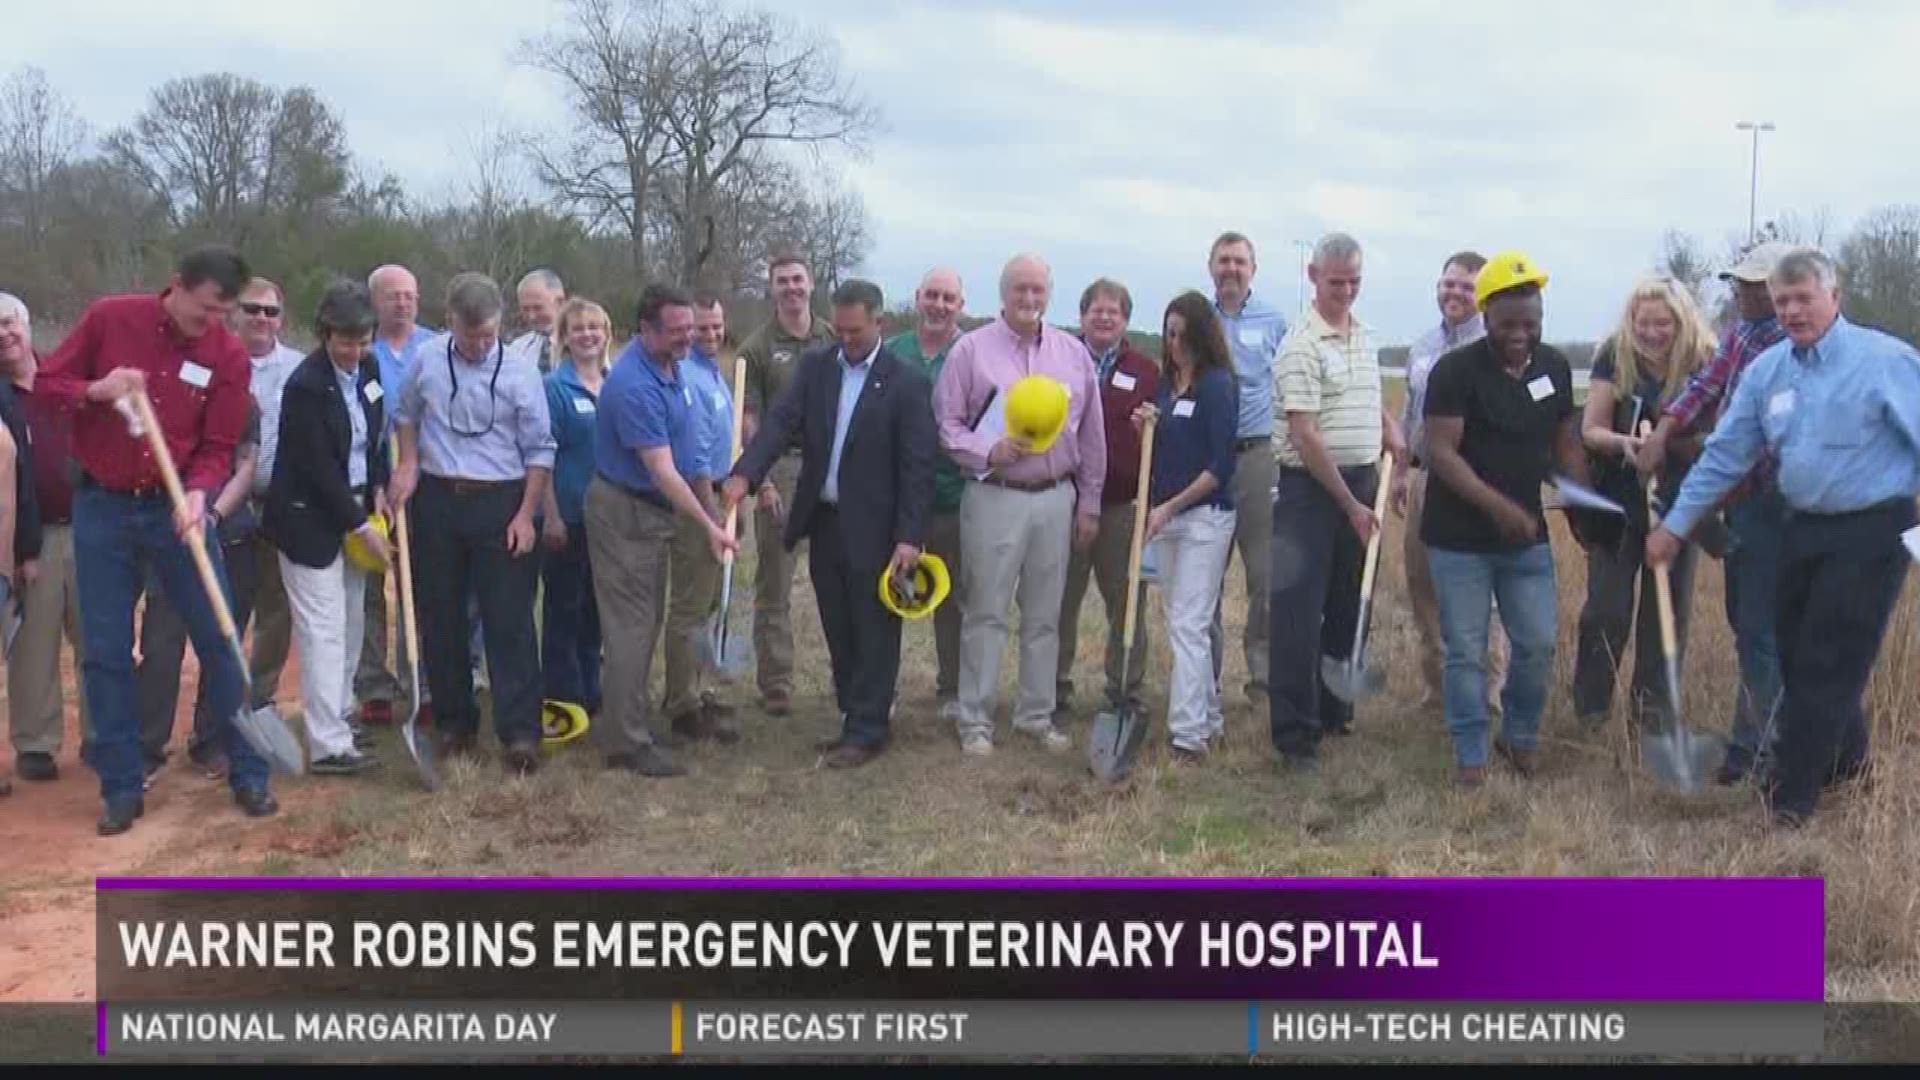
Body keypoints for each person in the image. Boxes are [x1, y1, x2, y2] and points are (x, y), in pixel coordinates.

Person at [1649, 247, 1920, 828]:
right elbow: (1726, 454)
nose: (1793, 311)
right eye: (1783, 301)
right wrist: (1675, 525)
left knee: (1826, 658)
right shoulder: (1767, 371)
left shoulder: (1885, 362)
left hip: (1874, 528)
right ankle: (1851, 767)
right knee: (1797, 655)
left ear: (1834, 298)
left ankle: (1790, 798)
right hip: (1802, 524)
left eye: (1804, 299)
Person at [38, 244, 276, 833]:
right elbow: (48, 385)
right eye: (205, 312)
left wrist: (198, 492)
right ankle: (121, 786)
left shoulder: (226, 355)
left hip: (176, 512)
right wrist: (99, 389)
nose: (214, 325)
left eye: (225, 314)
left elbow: (220, 446)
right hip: (103, 507)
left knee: (220, 636)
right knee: (106, 650)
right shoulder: (110, 319)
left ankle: (248, 768)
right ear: (176, 287)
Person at [724, 279, 936, 766]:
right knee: (838, 625)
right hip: (825, 521)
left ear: (879, 323)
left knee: (874, 629)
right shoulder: (816, 369)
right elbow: (779, 422)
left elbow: (918, 466)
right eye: (839, 330)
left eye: (856, 332)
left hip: (878, 530)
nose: (845, 340)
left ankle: (869, 728)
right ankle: (853, 715)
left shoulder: (906, 384)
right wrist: (744, 475)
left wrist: (910, 537)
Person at [1422, 252, 1588, 786]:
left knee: (1537, 644)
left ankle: (1518, 735)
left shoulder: (1554, 368)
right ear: (1486, 315)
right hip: (1459, 541)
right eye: (1509, 324)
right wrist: (1500, 508)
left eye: (1531, 323)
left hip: (1526, 541)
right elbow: (1441, 453)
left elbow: (1564, 446)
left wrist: (1581, 498)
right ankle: (1470, 751)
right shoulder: (1456, 371)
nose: (1521, 334)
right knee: (1467, 651)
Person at [933, 253, 1107, 756]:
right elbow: (947, 425)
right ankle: (975, 719)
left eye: (1037, 290)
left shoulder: (1073, 355)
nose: (1029, 300)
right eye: (1019, 290)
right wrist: (987, 450)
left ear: (1048, 294)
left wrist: (1089, 503)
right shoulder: (971, 351)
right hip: (995, 497)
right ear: (1003, 294)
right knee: (985, 611)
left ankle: (1035, 714)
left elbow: (1092, 437)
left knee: (1044, 614)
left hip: (1055, 498)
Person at [388, 272, 556, 774]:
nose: (481, 346)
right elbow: (405, 413)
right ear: (450, 323)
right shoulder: (429, 358)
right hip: (438, 498)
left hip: (502, 500)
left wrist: (527, 515)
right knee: (442, 617)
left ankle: (520, 733)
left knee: (509, 621)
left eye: (489, 336)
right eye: (471, 336)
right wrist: (409, 463)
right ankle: (454, 725)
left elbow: (540, 450)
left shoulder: (521, 372)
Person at [1637, 242, 1791, 784]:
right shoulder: (1744, 331)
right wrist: (1666, 428)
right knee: (1748, 626)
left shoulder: (1789, 341)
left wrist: (1716, 469)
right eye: (1740, 285)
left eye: (1754, 286)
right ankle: (1752, 745)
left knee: (1773, 628)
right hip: (1744, 503)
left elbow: (1761, 435)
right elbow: (1706, 386)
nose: (1743, 294)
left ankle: (1768, 752)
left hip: (1784, 503)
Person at [1267, 233, 1405, 771]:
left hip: (1362, 480)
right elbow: (1305, 435)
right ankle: (1295, 736)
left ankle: (1332, 711)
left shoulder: (1365, 337)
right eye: (1335, 281)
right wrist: (1349, 504)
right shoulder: (1300, 345)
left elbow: (1367, 399)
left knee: (1349, 603)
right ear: (1313, 277)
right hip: (1310, 491)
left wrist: (1390, 428)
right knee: (1299, 614)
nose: (1345, 291)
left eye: (1354, 282)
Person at [586, 285, 736, 779]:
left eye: (690, 329)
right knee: (631, 626)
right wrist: (704, 523)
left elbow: (692, 454)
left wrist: (713, 515)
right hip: (625, 511)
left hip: (655, 508)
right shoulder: (635, 385)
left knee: (646, 621)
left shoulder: (676, 370)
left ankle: (635, 720)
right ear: (644, 330)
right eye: (675, 332)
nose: (686, 339)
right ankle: (625, 742)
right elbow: (664, 471)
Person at [1571, 276, 1716, 733]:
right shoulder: (1615, 354)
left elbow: (1722, 436)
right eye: (1643, 323)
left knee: (1666, 612)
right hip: (1618, 499)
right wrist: (1626, 443)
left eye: (1663, 323)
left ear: (1682, 322)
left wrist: (1672, 441)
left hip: (1680, 500)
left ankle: (1652, 720)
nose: (1652, 333)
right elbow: (1590, 429)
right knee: (1606, 610)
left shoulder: (1705, 360)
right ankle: (1590, 713)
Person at [262, 282, 390, 776]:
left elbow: (373, 439)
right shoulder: (304, 386)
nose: (355, 351)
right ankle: (327, 745)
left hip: (357, 506)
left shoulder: (372, 371)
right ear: (323, 335)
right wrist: (358, 525)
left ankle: (340, 715)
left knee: (353, 622)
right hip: (308, 519)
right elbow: (316, 467)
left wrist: (378, 487)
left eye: (362, 340)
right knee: (323, 630)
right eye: (345, 341)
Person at [1394, 252, 1507, 713]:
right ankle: (1437, 689)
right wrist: (1401, 469)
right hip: (1424, 479)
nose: (1454, 294)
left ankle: (1490, 692)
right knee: (1423, 583)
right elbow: (1409, 414)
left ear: (1481, 294)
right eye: (1448, 284)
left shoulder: (1495, 347)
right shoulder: (1421, 348)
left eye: (1465, 287)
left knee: (1483, 590)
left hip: (1474, 479)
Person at [1131, 292, 1237, 762]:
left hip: (1204, 518)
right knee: (1181, 619)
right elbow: (1166, 446)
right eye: (1169, 333)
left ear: (1202, 333)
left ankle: (1187, 736)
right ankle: (1209, 718)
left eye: (1183, 334)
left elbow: (1219, 467)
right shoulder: (1165, 384)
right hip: (1167, 516)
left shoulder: (1217, 386)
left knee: (1190, 624)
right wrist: (1146, 427)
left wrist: (1170, 508)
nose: (1175, 343)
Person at [132, 400, 259, 783]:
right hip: (171, 539)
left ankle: (211, 741)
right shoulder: (168, 398)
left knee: (223, 645)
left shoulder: (243, 401)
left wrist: (214, 515)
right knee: (161, 644)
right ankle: (147, 747)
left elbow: (246, 466)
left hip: (230, 537)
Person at [1056, 278, 1158, 719]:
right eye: (1095, 310)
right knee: (1058, 600)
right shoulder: (1056, 357)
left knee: (1126, 601)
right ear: (1081, 315)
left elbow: (1164, 435)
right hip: (1063, 499)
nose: (1103, 317)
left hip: (1121, 505)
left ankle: (1124, 691)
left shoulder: (1147, 371)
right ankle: (1053, 689)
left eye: (1113, 311)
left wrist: (1152, 425)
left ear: (1126, 320)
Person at [739, 253, 835, 717]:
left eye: (798, 279)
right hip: (782, 470)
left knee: (840, 577)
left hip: (833, 470)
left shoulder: (834, 337)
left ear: (811, 284)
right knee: (775, 582)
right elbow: (749, 421)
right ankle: (776, 682)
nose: (792, 288)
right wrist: (763, 483)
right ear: (772, 288)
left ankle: (847, 676)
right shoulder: (756, 349)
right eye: (782, 281)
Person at [3, 293, 85, 788]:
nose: (2, 334)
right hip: (33, 540)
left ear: (27, 324)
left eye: (8, 322)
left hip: (91, 527)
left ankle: (105, 735)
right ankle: (36, 743)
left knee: (99, 639)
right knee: (33, 646)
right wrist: (15, 549)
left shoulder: (64, 379)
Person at [1207, 232, 1287, 701]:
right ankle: (1205, 681)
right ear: (1210, 267)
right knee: (1205, 574)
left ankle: (1263, 680)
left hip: (1260, 457)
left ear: (1252, 269)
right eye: (1223, 261)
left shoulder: (1275, 321)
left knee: (1266, 574)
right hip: (1207, 460)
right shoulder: (1198, 320)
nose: (1231, 269)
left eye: (1239, 261)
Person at [356, 264, 437, 726]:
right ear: (376, 302)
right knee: (369, 588)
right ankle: (372, 686)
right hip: (370, 483)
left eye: (409, 294)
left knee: (420, 587)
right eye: (392, 296)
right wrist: (378, 486)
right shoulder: (361, 349)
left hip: (424, 482)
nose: (402, 302)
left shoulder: (436, 347)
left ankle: (420, 682)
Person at [885, 268, 967, 718]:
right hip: (897, 500)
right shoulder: (894, 352)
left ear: (961, 304)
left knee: (953, 598)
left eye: (948, 298)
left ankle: (952, 689)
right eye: (932, 295)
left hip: (954, 497)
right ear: (917, 298)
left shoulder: (972, 353)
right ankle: (884, 687)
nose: (939, 305)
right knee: (892, 594)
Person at [659, 292, 739, 743]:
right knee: (690, 605)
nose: (709, 335)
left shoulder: (714, 371)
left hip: (725, 495)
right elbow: (695, 457)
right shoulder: (685, 374)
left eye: (715, 326)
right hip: (698, 502)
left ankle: (700, 686)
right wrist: (711, 515)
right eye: (701, 327)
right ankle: (681, 704)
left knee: (711, 602)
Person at [232, 279, 304, 721]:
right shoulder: (215, 364)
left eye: (270, 311)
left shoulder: (299, 368)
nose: (261, 318)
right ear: (233, 313)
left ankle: (259, 697)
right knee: (230, 605)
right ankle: (219, 702)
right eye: (252, 309)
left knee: (277, 610)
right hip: (229, 505)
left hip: (282, 504)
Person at [539, 298, 611, 718]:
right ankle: (563, 695)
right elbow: (542, 457)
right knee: (564, 608)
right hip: (567, 515)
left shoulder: (615, 382)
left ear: (606, 333)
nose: (587, 335)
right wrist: (550, 515)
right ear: (564, 336)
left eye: (595, 327)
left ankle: (591, 687)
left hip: (608, 521)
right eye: (578, 328)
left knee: (596, 610)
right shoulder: (554, 388)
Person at [512, 269, 567, 373]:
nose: (531, 316)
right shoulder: (517, 349)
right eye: (525, 309)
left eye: (538, 308)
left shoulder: (584, 345)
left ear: (560, 302)